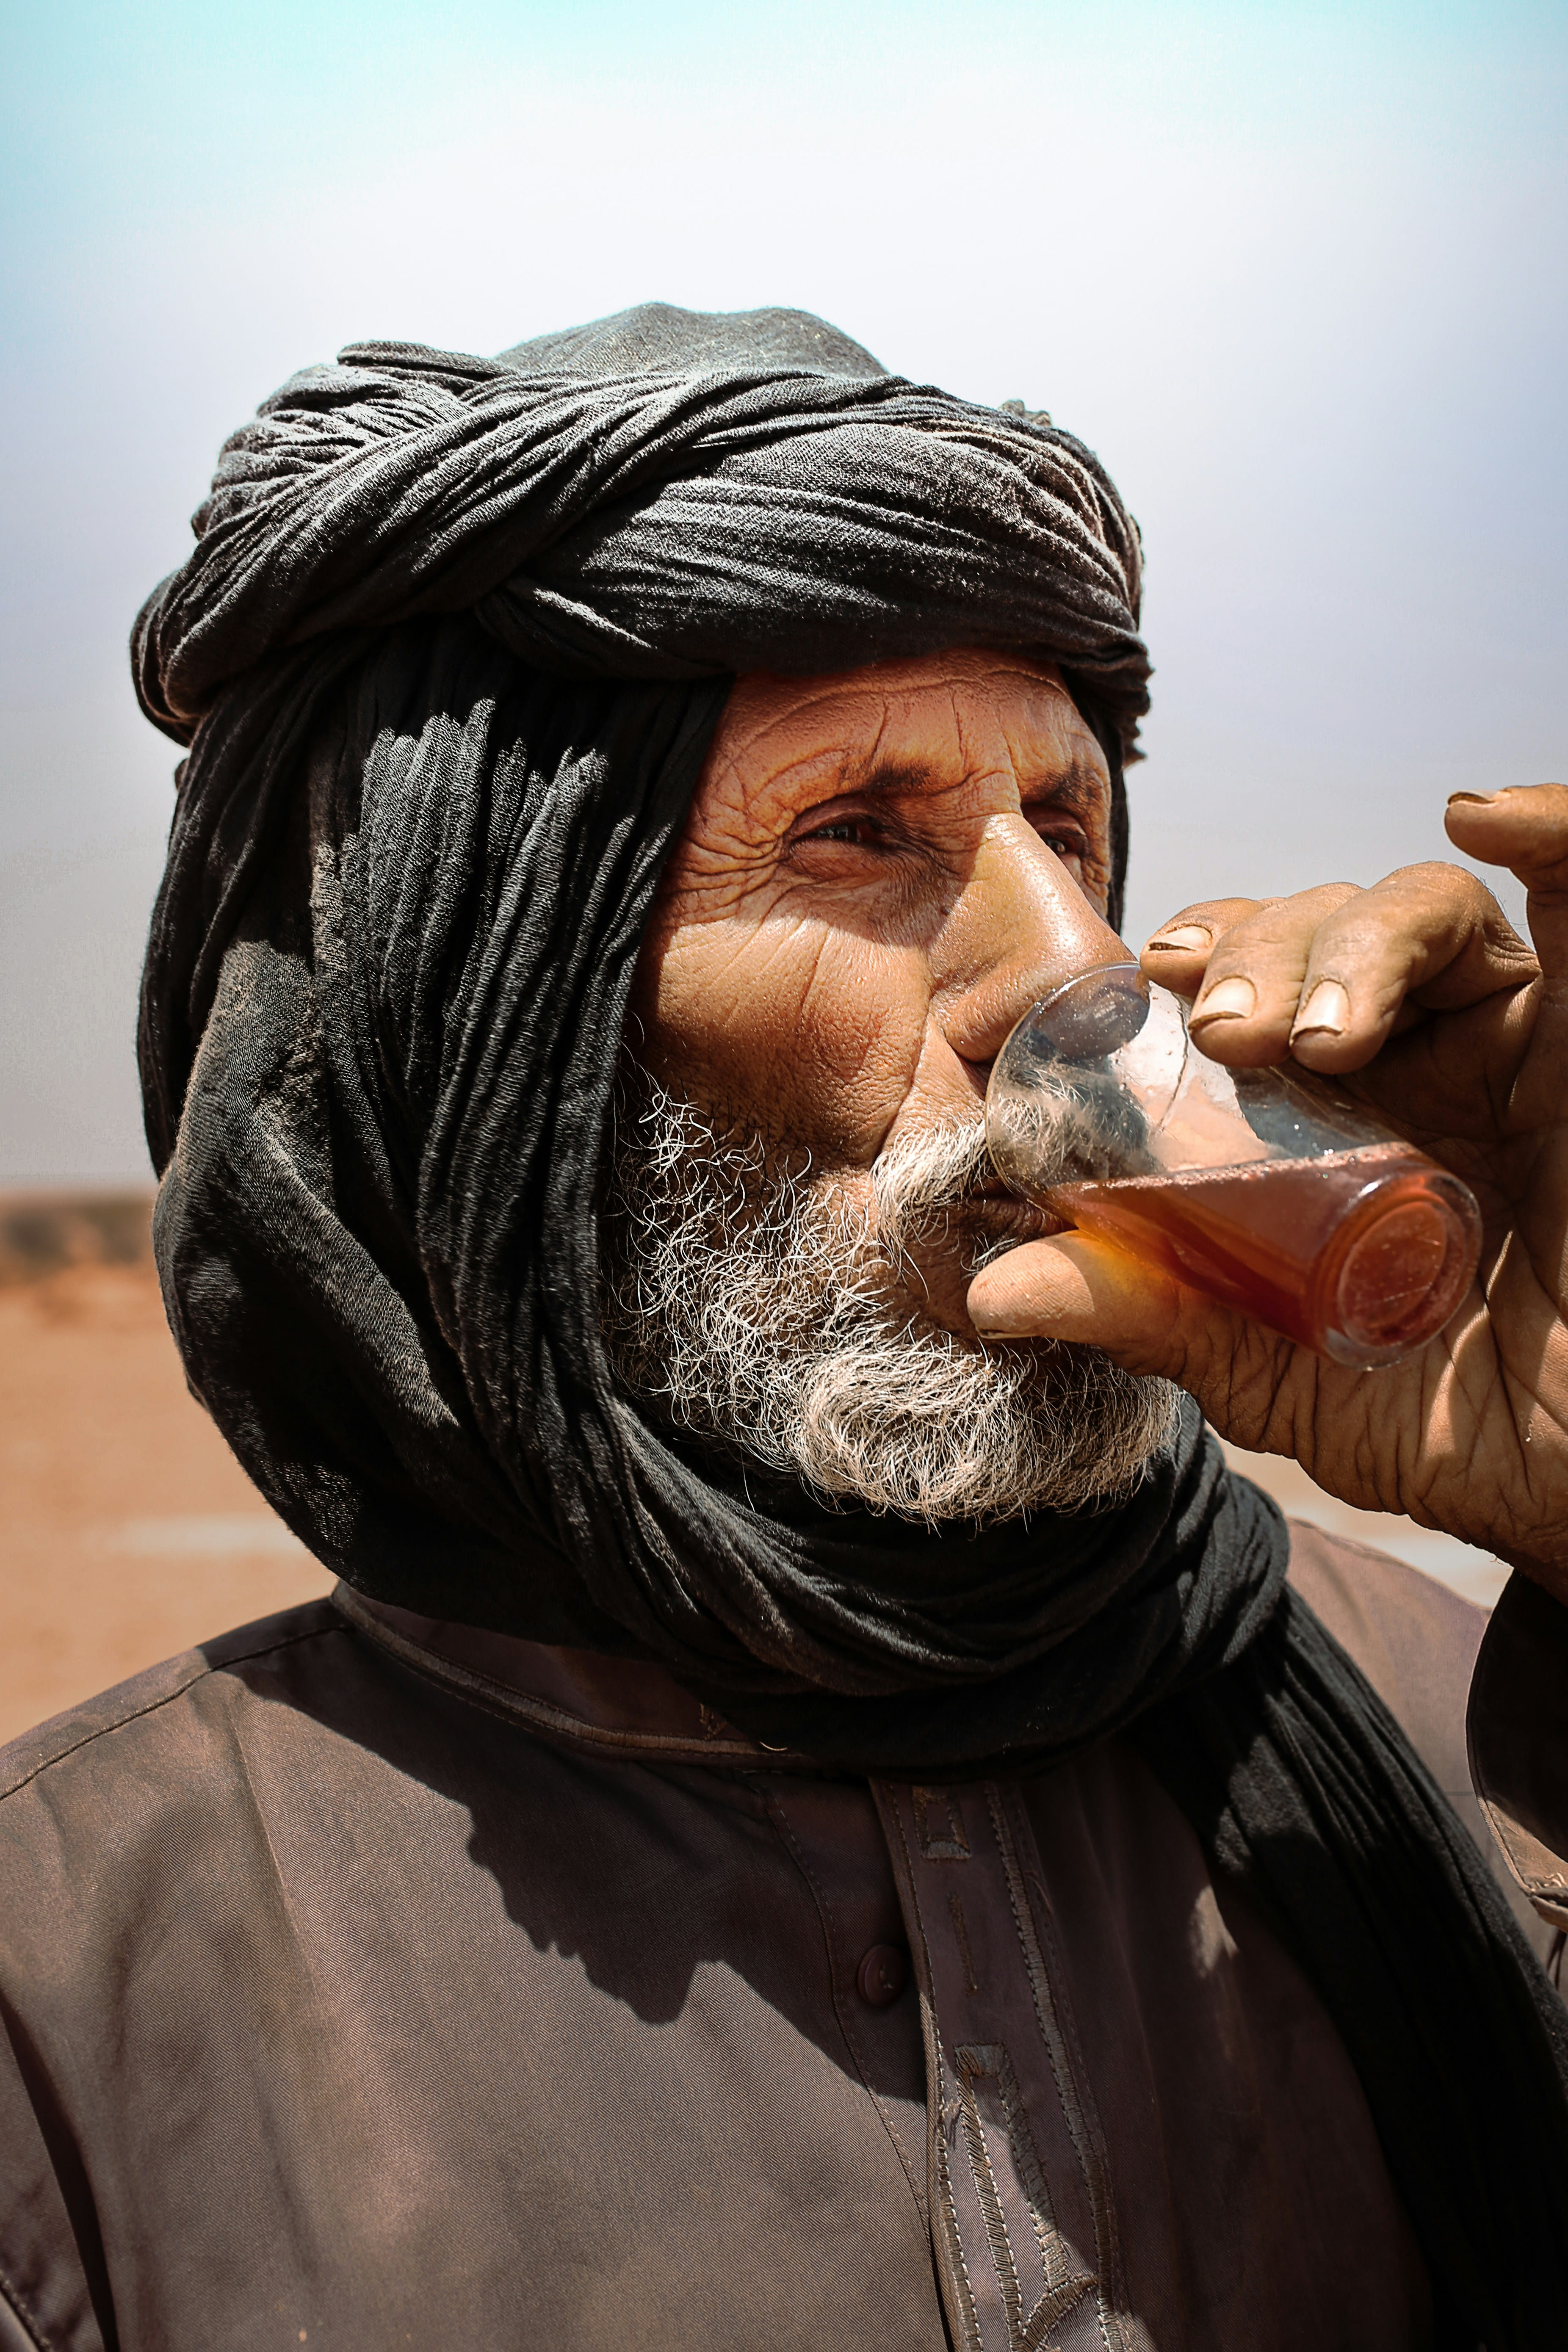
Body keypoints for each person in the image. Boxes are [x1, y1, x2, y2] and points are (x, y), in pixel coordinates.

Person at [0, 303, 1564, 2351]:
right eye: (855, 835)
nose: (1064, 979)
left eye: (1067, 833)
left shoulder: (1445, 1722)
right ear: (482, 1000)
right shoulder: (69, 2002)